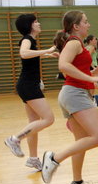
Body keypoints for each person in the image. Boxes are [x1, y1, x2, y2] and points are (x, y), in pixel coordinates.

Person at [41, 11, 98, 184]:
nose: (89, 25)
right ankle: (54, 158)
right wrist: (90, 79)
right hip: (75, 94)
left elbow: (74, 67)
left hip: (72, 93)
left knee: (81, 141)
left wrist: (93, 75)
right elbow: (63, 66)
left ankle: (77, 182)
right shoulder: (74, 42)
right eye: (85, 22)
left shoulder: (75, 43)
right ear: (76, 26)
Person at [4, 14, 58, 170]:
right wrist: (46, 50)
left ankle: (33, 159)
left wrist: (47, 54)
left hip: (28, 85)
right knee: (48, 119)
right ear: (29, 25)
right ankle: (15, 139)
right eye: (35, 22)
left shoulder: (31, 41)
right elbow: (24, 53)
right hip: (28, 86)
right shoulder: (27, 39)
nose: (38, 23)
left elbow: (29, 58)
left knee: (33, 124)